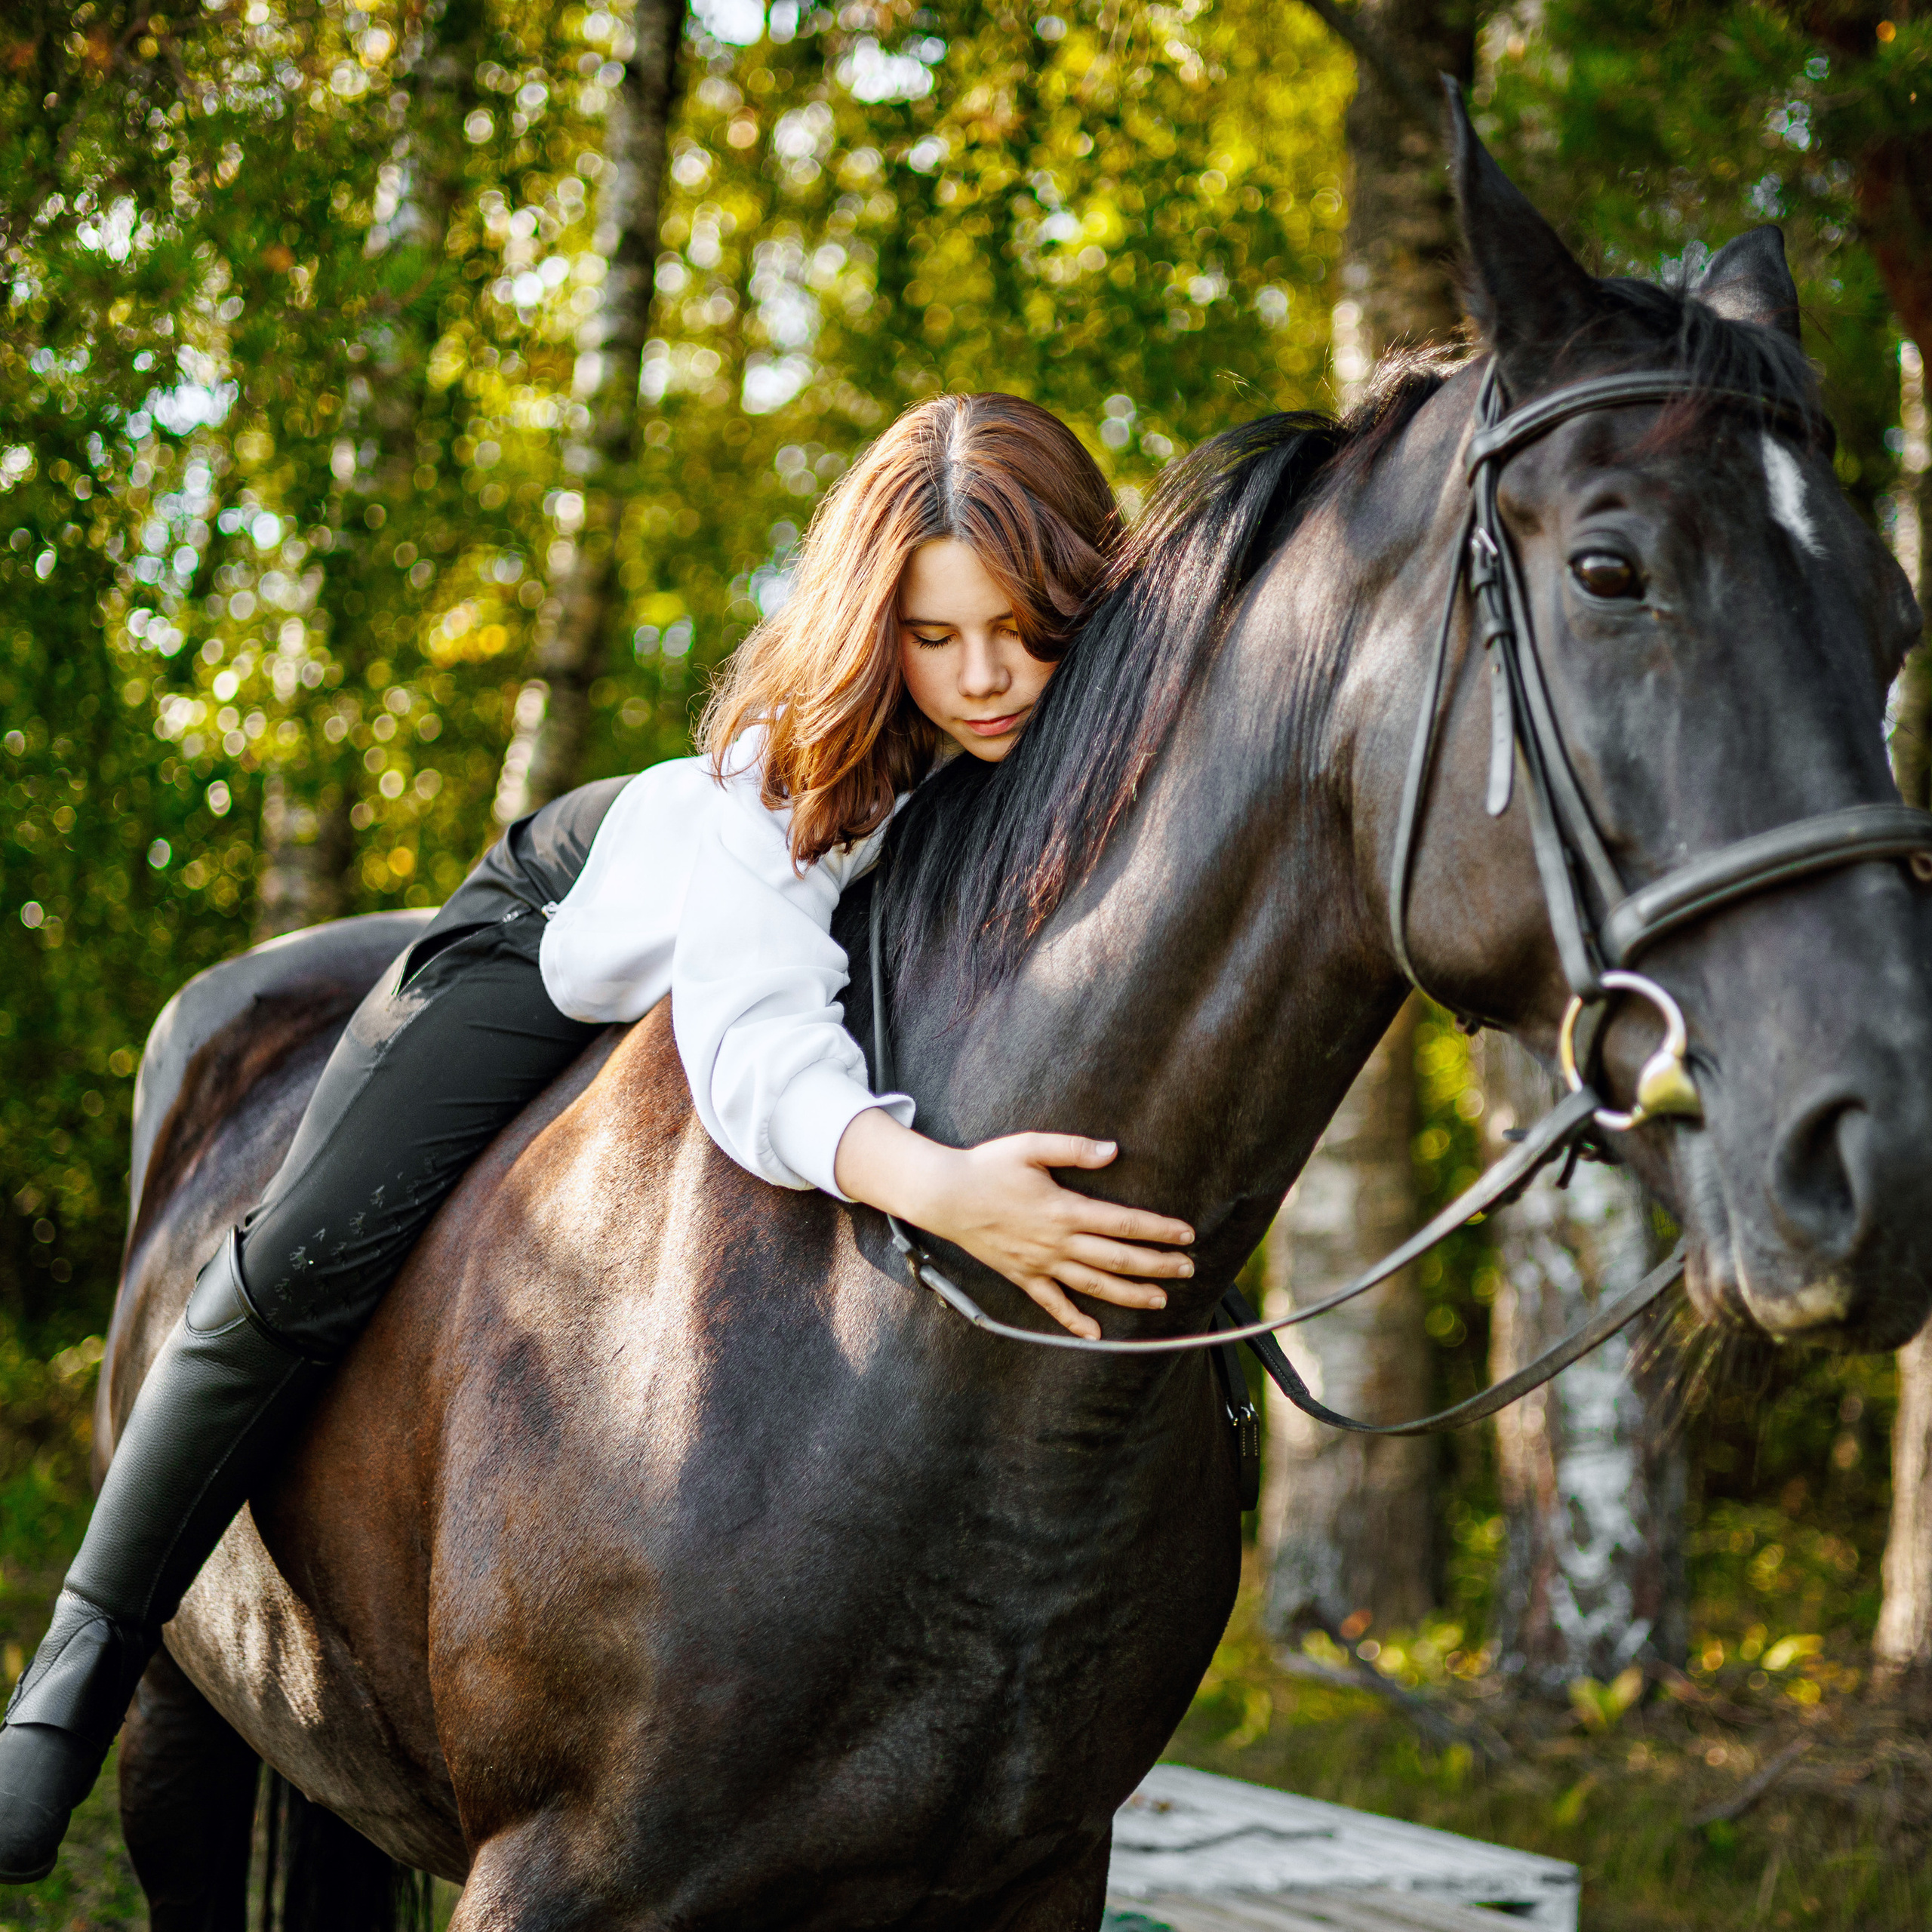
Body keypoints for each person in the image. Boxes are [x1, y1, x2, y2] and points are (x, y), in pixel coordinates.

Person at [0, 393, 1197, 1881]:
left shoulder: (1080, 731)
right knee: (303, 1253)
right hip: (552, 941)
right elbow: (756, 1053)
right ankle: (80, 1660)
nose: (986, 676)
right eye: (935, 636)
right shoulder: (794, 759)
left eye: (1023, 628)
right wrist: (941, 1183)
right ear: (870, 625)